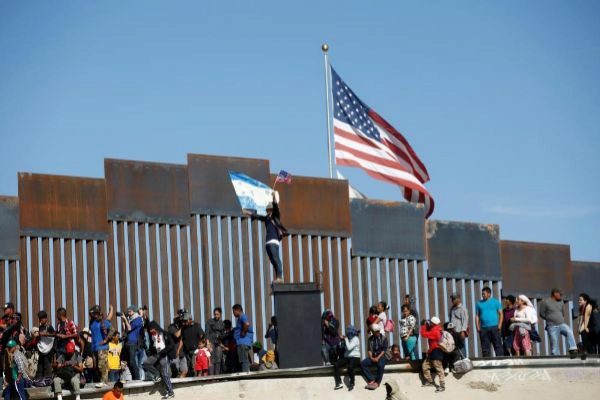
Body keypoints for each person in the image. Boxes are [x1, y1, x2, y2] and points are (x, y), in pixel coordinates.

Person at [258, 190, 288, 283]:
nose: (267, 211)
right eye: (267, 210)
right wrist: (248, 213)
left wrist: (274, 196)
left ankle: (280, 277)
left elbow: (275, 205)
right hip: (268, 242)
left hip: (274, 241)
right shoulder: (266, 218)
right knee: (273, 260)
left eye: (268, 209)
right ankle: (278, 278)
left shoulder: (275, 216)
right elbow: (257, 216)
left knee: (276, 258)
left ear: (271, 209)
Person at [538, 288, 578, 357]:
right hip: (551, 326)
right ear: (555, 294)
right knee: (554, 343)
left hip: (561, 324)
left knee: (569, 331)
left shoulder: (561, 302)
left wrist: (560, 318)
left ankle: (573, 349)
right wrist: (549, 318)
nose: (561, 296)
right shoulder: (545, 302)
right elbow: (541, 314)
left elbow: (563, 313)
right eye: (560, 294)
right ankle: (557, 357)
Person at [142, 321, 175, 399]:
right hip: (157, 354)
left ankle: (170, 392)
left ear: (156, 328)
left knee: (165, 374)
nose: (150, 331)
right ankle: (157, 375)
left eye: (151, 329)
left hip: (164, 355)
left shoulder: (165, 334)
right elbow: (153, 346)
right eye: (149, 330)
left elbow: (171, 344)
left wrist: (165, 351)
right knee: (146, 363)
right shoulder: (153, 336)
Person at [90, 305, 114, 387]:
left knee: (102, 365)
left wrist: (106, 340)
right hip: (94, 348)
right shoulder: (93, 322)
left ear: (99, 313)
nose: (95, 315)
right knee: (97, 366)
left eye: (96, 313)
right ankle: (103, 381)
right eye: (94, 313)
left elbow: (112, 330)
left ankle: (104, 382)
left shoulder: (103, 322)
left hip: (102, 348)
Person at [476, 287, 503, 357]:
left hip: (494, 327)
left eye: (484, 294)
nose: (483, 295)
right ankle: (486, 364)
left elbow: (501, 314)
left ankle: (501, 362)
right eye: (482, 294)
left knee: (498, 346)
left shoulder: (496, 302)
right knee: (485, 348)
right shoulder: (479, 304)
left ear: (489, 294)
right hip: (484, 328)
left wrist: (499, 325)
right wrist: (477, 327)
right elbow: (477, 316)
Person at [420, 317, 445, 393]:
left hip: (436, 352)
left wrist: (424, 326)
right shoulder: (436, 329)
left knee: (439, 369)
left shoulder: (435, 331)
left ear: (433, 323)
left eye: (430, 322)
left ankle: (442, 385)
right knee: (425, 366)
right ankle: (430, 381)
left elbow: (423, 334)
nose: (428, 323)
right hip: (432, 352)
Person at [360, 324, 388, 390]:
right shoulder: (370, 339)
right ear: (373, 331)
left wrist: (377, 358)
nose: (377, 332)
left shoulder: (384, 338)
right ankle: (371, 379)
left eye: (378, 331)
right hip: (373, 356)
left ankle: (377, 382)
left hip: (382, 356)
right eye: (376, 331)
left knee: (380, 365)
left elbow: (384, 350)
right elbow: (369, 350)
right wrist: (372, 358)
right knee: (363, 363)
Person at [333, 325, 360, 391]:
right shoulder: (348, 339)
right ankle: (339, 382)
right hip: (347, 358)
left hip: (355, 357)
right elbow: (343, 349)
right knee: (336, 364)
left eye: (349, 333)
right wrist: (342, 341)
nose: (348, 334)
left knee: (350, 367)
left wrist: (345, 339)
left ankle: (352, 383)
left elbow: (349, 347)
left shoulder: (356, 339)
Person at [121, 305, 143, 380]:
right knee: (127, 362)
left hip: (132, 343)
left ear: (134, 311)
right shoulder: (130, 320)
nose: (128, 313)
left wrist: (125, 319)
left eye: (130, 311)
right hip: (127, 342)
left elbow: (129, 328)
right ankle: (133, 378)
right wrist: (124, 321)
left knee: (132, 362)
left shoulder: (138, 319)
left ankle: (137, 378)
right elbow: (125, 330)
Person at [180, 312, 205, 377]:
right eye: (184, 320)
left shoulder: (196, 326)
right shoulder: (183, 328)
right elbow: (181, 339)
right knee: (189, 367)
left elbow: (202, 336)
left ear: (190, 319)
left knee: (195, 366)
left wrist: (202, 346)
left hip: (195, 350)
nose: (185, 322)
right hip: (187, 351)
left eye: (186, 320)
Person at [34, 310, 56, 379]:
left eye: (43, 318)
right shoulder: (39, 328)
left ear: (46, 318)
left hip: (48, 351)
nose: (41, 320)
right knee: (40, 367)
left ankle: (47, 381)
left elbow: (54, 335)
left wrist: (45, 334)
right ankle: (39, 381)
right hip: (41, 350)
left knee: (47, 366)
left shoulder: (49, 327)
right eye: (40, 318)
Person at [232, 304, 253, 373]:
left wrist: (243, 332)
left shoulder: (242, 316)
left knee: (244, 360)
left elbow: (246, 324)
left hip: (243, 342)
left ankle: (245, 374)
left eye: (233, 311)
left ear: (237, 310)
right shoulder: (241, 317)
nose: (233, 313)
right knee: (243, 359)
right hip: (241, 342)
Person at [205, 307, 224, 375]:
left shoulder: (222, 323)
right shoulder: (209, 321)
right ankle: (211, 376)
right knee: (212, 359)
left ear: (220, 314)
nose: (216, 316)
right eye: (215, 314)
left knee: (218, 359)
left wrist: (222, 344)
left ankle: (217, 376)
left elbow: (223, 335)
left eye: (217, 314)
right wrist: (207, 343)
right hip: (211, 342)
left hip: (218, 343)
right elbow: (206, 333)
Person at [578, 293, 595, 357]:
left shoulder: (588, 306)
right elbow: (580, 318)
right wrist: (579, 328)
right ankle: (589, 351)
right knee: (584, 334)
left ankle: (585, 350)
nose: (579, 301)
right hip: (585, 323)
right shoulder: (581, 307)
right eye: (579, 300)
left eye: (580, 300)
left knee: (584, 332)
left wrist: (584, 328)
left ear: (585, 301)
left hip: (590, 324)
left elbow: (586, 318)